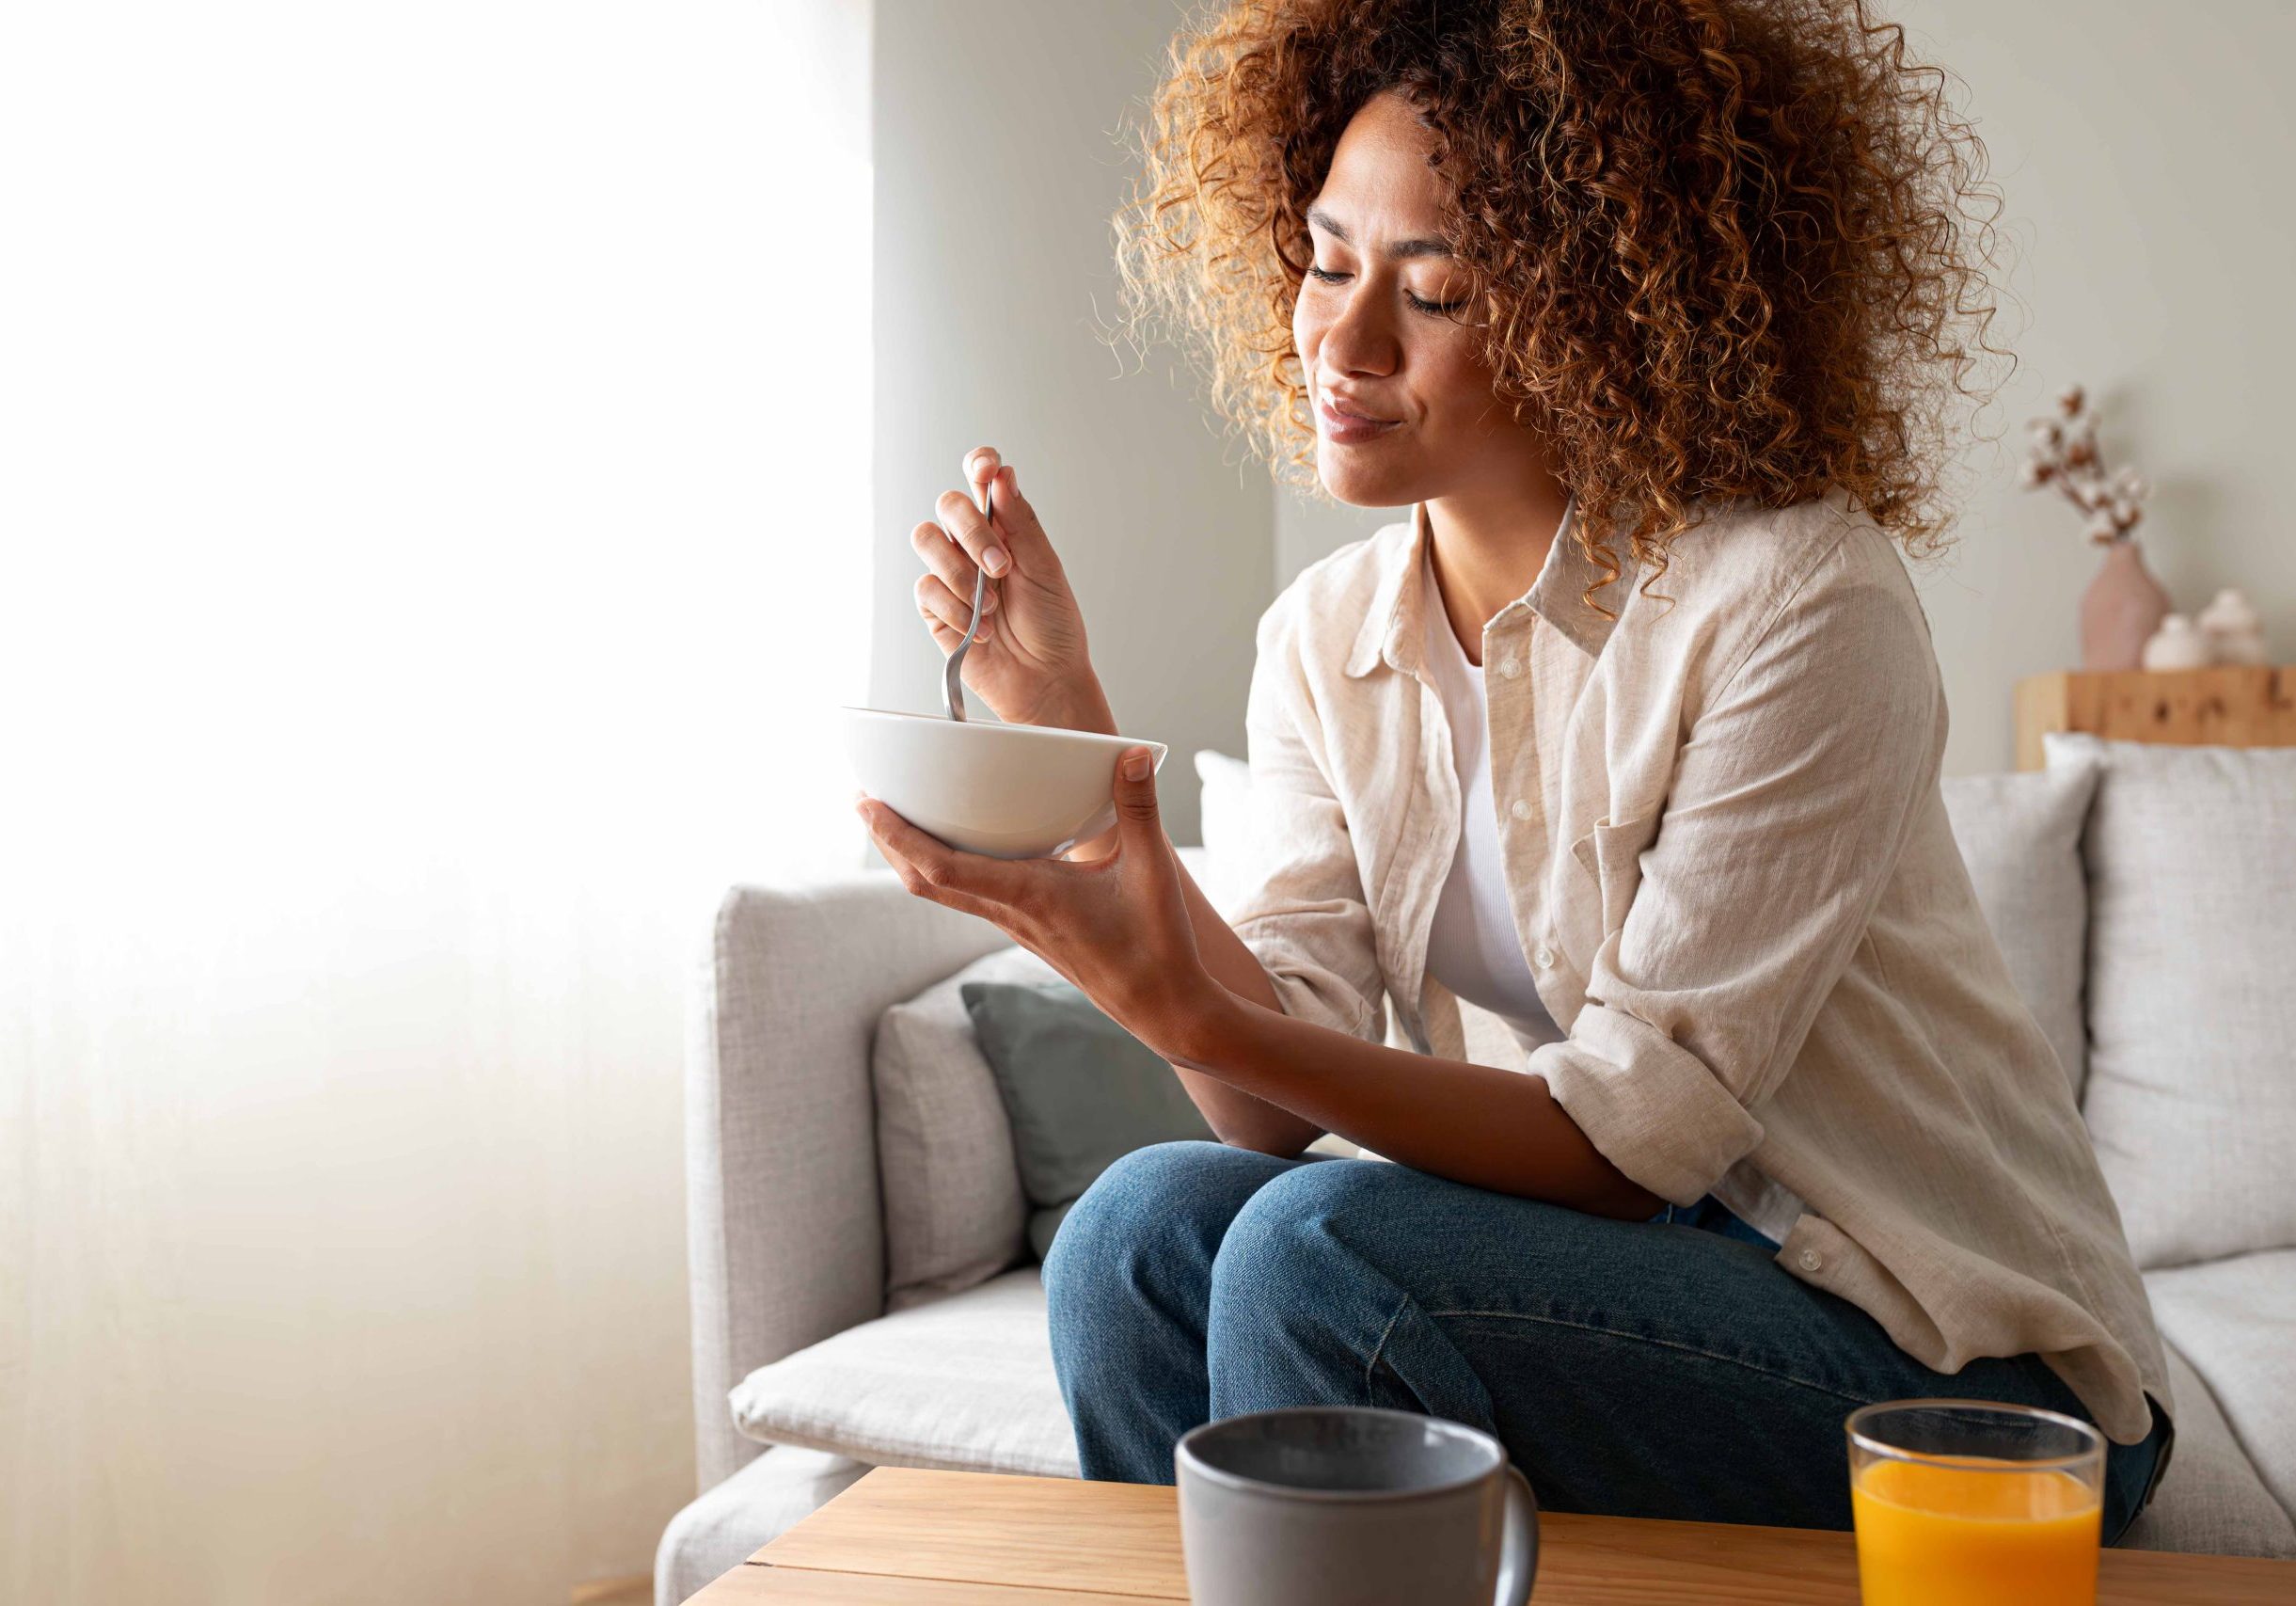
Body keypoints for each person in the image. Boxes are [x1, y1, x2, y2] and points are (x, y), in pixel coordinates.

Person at [857, 0, 2174, 1539]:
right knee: (1135, 1232)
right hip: (1636, 1278)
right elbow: (1263, 1104)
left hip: (1953, 1364)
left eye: (1437, 291)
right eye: (1328, 261)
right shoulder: (1324, 637)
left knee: (1319, 1253)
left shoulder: (1799, 597)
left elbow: (1633, 1145)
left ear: (1598, 316)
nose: (1342, 344)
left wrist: (1187, 1006)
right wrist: (1069, 728)